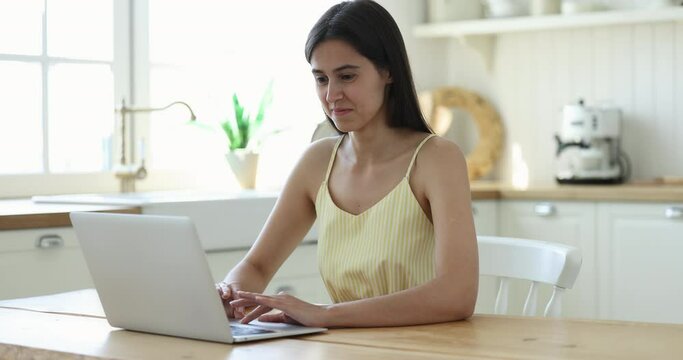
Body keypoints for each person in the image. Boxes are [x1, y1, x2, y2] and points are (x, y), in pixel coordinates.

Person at [217, 0, 478, 328]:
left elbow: (457, 294)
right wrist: (231, 293)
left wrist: (323, 314)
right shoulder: (317, 162)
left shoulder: (437, 159)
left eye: (347, 76)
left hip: (428, 349)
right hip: (345, 346)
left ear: (388, 71)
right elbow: (256, 266)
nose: (331, 95)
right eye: (321, 79)